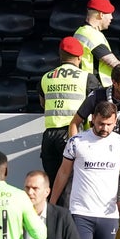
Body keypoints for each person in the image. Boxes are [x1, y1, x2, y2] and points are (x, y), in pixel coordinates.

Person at [68, 64, 120, 239]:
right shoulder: (96, 96)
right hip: (96, 163)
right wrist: (77, 150)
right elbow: (74, 123)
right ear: (114, 83)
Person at [50, 101, 120, 239]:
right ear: (93, 119)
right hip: (80, 213)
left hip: (108, 214)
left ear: (115, 122)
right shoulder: (77, 141)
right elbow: (63, 173)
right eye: (100, 124)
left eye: (109, 124)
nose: (104, 128)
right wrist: (52, 203)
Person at [39, 36, 100, 192]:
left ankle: (53, 215)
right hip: (73, 134)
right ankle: (68, 216)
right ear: (79, 57)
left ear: (60, 56)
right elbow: (96, 106)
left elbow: (43, 103)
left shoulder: (46, 77)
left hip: (49, 136)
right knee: (71, 183)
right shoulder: (87, 78)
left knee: (51, 185)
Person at [74, 0, 120, 86]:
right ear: (101, 15)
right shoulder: (91, 34)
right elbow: (114, 64)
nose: (112, 18)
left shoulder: (82, 31)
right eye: (110, 14)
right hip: (93, 87)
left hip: (87, 84)